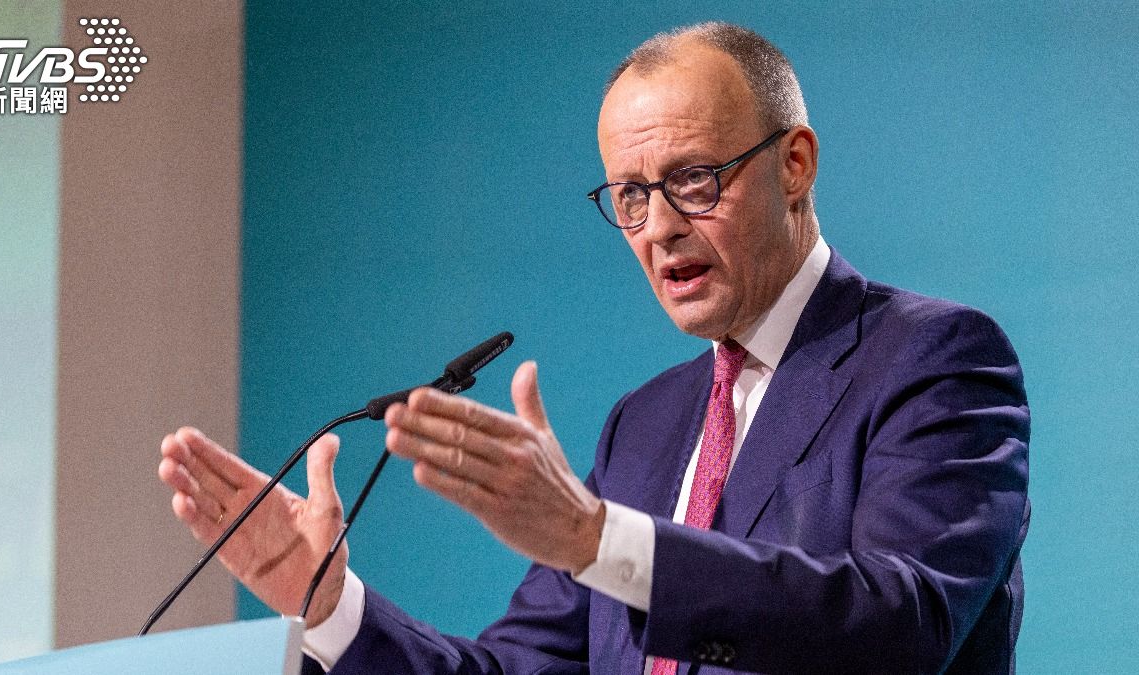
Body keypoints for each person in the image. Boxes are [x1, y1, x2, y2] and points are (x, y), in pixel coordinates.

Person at [158, 22, 1029, 674]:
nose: (658, 227)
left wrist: (598, 537)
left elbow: (903, 626)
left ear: (794, 164)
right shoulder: (644, 426)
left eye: (694, 179)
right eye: (631, 195)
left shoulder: (935, 359)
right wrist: (329, 606)